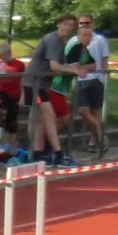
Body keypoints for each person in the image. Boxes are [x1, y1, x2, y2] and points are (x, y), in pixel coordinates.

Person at [19, 14, 79, 164]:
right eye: (65, 24)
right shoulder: (53, 39)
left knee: (40, 119)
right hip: (34, 82)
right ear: (58, 24)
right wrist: (74, 70)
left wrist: (73, 68)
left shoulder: (61, 42)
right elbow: (54, 66)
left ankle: (38, 153)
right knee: (48, 116)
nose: (68, 27)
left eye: (71, 25)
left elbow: (60, 66)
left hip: (42, 83)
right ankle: (56, 152)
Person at [72, 10, 109, 151]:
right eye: (81, 23)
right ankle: (101, 136)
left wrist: (103, 77)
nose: (84, 25)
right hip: (80, 79)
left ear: (92, 24)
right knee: (83, 110)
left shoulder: (99, 39)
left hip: (96, 78)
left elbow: (104, 59)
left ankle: (94, 141)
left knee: (96, 111)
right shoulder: (74, 40)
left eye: (87, 23)